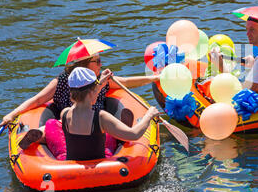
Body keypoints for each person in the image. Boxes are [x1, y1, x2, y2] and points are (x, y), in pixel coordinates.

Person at [19, 67, 160, 160]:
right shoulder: (101, 117)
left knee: (52, 125)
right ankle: (119, 135)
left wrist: (98, 86)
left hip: (70, 161)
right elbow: (134, 134)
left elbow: (86, 97)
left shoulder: (65, 113)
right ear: (93, 91)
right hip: (102, 161)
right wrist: (149, 115)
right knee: (111, 134)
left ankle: (41, 135)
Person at [0, 53, 159, 127]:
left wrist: (153, 78)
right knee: (57, 125)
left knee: (103, 122)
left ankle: (120, 129)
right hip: (70, 122)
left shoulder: (101, 79)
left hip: (96, 121)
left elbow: (126, 82)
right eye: (97, 61)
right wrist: (12, 114)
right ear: (84, 65)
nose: (100, 64)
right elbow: (37, 100)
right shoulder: (62, 81)